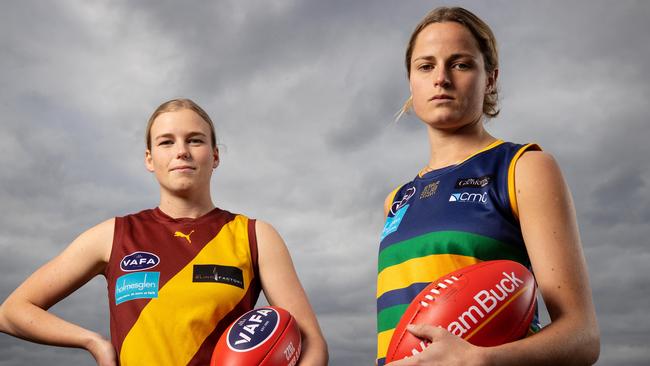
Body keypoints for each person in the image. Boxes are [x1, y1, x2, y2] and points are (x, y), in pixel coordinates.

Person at [0, 98, 328, 365]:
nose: (181, 151)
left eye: (195, 140)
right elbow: (12, 312)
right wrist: (93, 342)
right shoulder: (113, 235)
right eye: (166, 142)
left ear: (214, 156)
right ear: (149, 158)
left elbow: (312, 344)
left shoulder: (255, 235)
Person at [376, 7, 599, 366]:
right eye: (426, 66)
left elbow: (582, 336)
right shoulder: (398, 199)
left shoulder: (522, 168)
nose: (441, 78)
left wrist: (480, 360)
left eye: (461, 64)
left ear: (491, 79)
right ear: (411, 81)